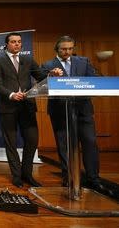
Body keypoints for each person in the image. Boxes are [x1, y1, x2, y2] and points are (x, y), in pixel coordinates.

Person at [0, 32, 62, 188]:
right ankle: (16, 176)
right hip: (8, 106)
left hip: (27, 106)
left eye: (19, 42)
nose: (17, 44)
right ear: (7, 44)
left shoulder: (28, 60)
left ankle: (27, 174)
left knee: (32, 140)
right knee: (10, 142)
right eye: (13, 42)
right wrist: (11, 94)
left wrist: (52, 73)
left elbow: (40, 75)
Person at [42, 35, 102, 189]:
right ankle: (68, 177)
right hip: (60, 111)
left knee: (90, 142)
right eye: (63, 49)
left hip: (83, 109)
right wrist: (50, 76)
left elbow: (95, 80)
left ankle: (93, 178)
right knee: (64, 145)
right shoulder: (47, 65)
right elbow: (39, 85)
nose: (67, 51)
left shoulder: (83, 62)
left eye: (70, 48)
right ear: (57, 49)